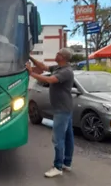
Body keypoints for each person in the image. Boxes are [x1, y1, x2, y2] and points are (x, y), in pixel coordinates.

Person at [26, 48, 75, 178]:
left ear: (63, 57)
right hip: (65, 108)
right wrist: (30, 57)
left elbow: (50, 80)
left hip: (62, 109)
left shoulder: (66, 71)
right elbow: (43, 67)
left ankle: (58, 167)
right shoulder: (59, 67)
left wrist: (31, 73)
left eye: (58, 53)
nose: (56, 54)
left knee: (58, 138)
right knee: (68, 137)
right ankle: (67, 163)